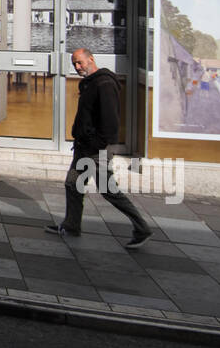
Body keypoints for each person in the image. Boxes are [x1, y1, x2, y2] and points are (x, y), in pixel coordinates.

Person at [46, 48, 153, 249]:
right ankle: (71, 225)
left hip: (96, 150)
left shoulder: (104, 84)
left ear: (91, 59)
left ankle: (142, 229)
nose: (77, 67)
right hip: (84, 147)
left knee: (109, 190)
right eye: (74, 64)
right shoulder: (90, 83)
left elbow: (110, 123)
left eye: (80, 62)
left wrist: (96, 145)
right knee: (73, 184)